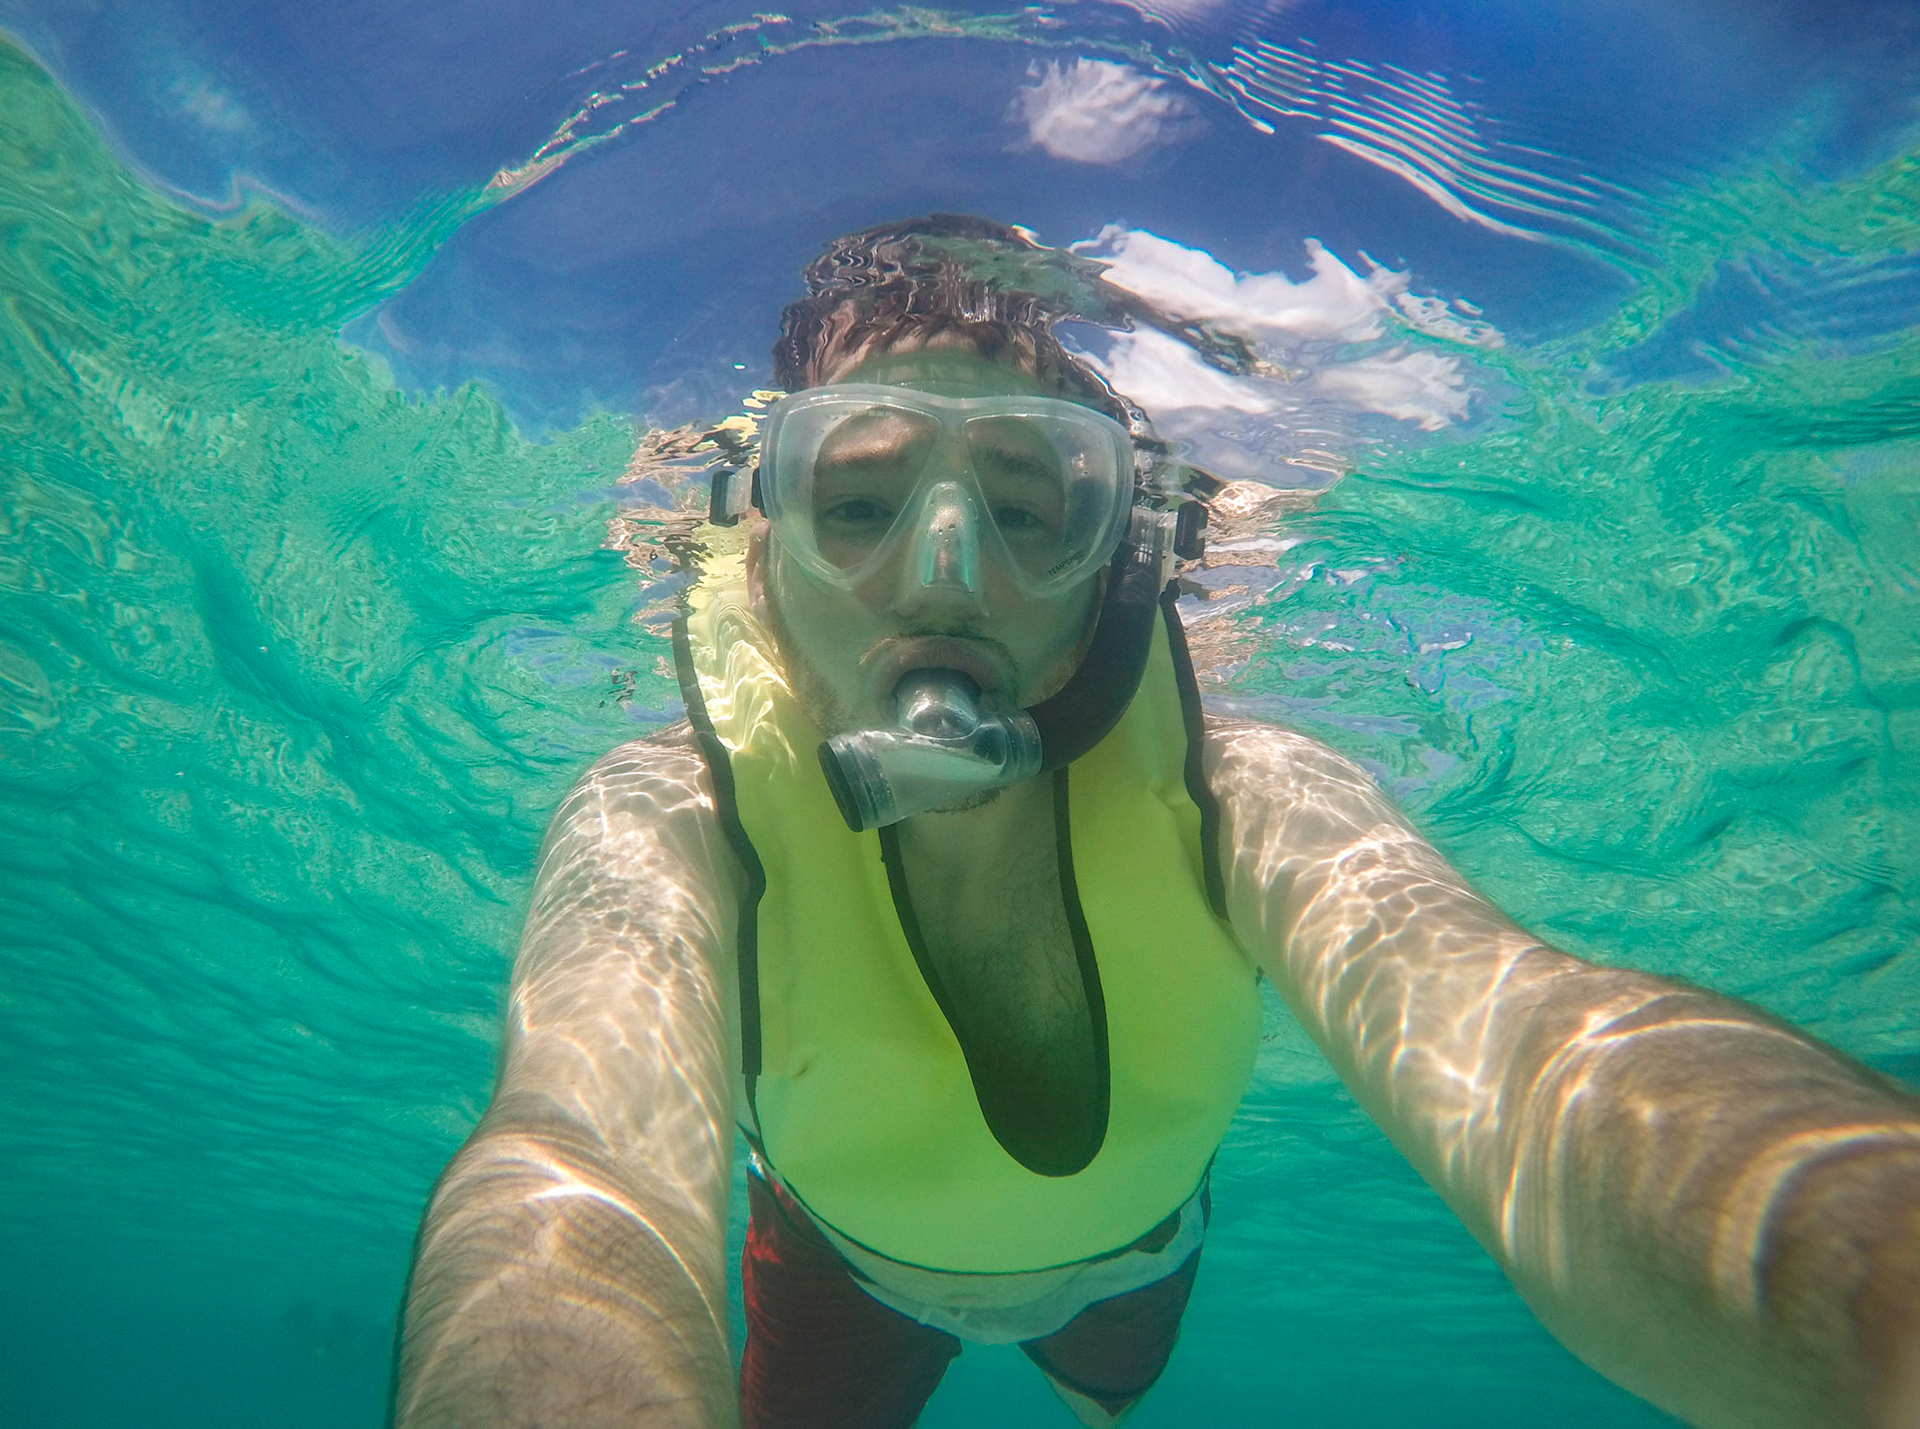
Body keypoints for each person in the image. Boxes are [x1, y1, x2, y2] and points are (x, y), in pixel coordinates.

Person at [391, 217, 1920, 1429]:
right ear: (763, 546)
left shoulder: (1243, 799)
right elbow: (577, 1159)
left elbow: (1533, 1052)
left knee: (1105, 1393)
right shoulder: (670, 815)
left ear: (1122, 550)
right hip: (839, 1275)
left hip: (1132, 1265)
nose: (943, 575)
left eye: (1032, 502)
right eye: (857, 500)